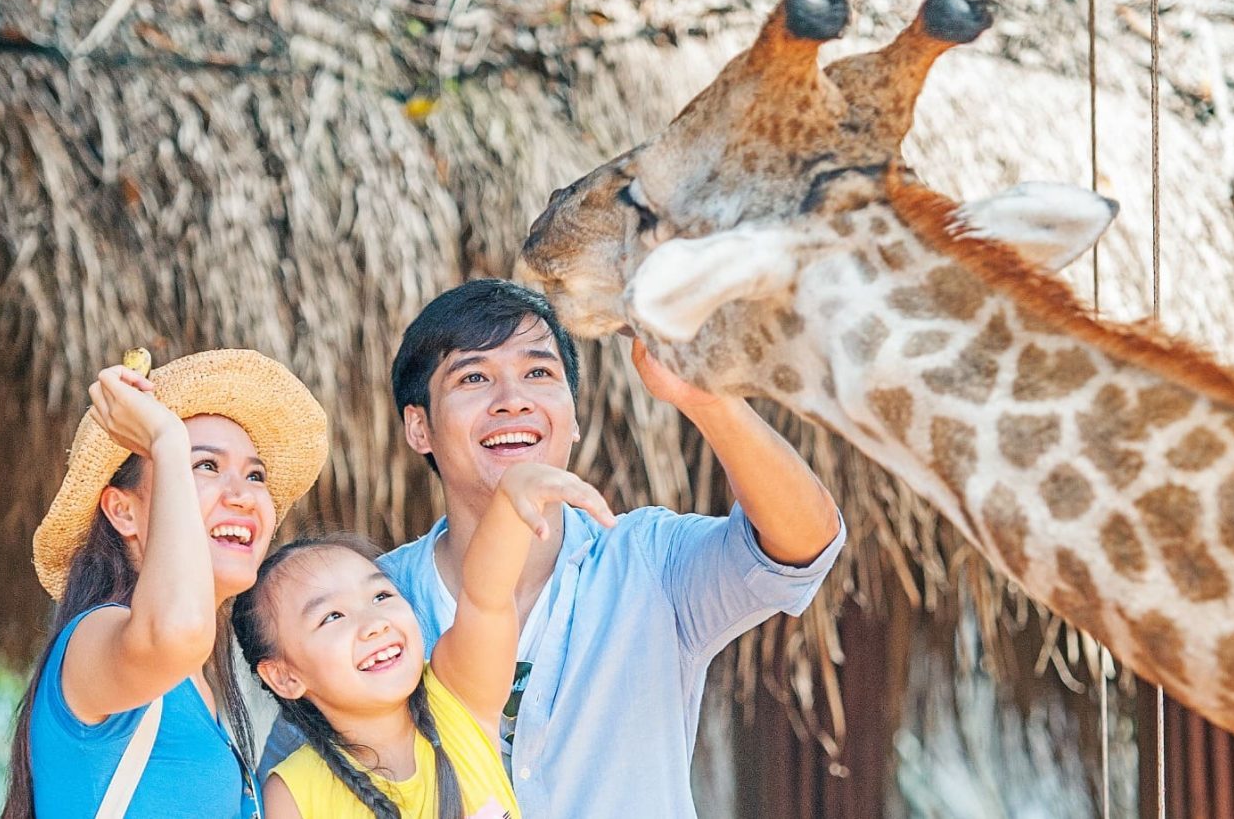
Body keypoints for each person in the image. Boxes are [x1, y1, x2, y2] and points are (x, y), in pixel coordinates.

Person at [264, 279, 846, 817]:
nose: (512, 399)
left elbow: (803, 543)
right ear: (420, 428)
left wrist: (708, 400)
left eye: (539, 374)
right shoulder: (367, 617)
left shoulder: (649, 560)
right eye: (473, 377)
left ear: (571, 418)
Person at [3, 349, 329, 819]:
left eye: (255, 475)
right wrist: (165, 439)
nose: (243, 495)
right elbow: (177, 629)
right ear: (123, 511)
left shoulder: (208, 688)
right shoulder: (96, 639)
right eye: (205, 466)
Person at [235, 459, 615, 818]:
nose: (374, 623)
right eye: (332, 616)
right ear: (285, 676)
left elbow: (486, 599)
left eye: (381, 596)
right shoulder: (292, 792)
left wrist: (509, 499)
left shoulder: (458, 695)